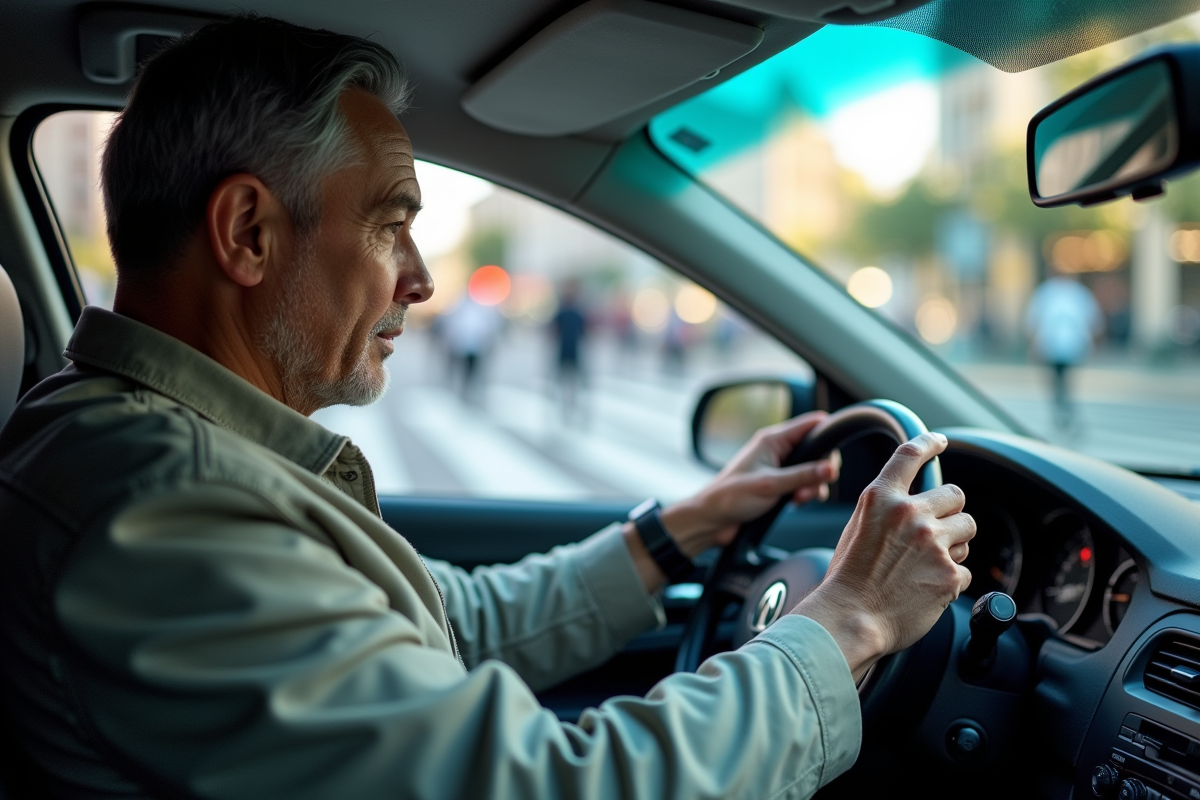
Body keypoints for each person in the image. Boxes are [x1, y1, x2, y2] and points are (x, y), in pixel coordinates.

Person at [0, 17, 975, 799]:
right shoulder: (163, 510)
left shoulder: (168, 461)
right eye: (390, 226)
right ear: (249, 232)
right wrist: (845, 620)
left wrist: (680, 528)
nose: (422, 279)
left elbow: (446, 620)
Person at [1025, 267, 1103, 431]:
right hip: (1054, 346)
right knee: (1060, 382)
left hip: (1068, 346)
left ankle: (1063, 411)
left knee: (1061, 382)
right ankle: (1064, 410)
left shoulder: (1054, 293)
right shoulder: (1061, 293)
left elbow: (1092, 321)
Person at [551, 279, 588, 424]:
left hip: (574, 349)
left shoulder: (577, 311)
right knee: (561, 377)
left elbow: (584, 331)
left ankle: (573, 401)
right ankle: (562, 401)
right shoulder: (562, 311)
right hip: (564, 349)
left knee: (574, 378)